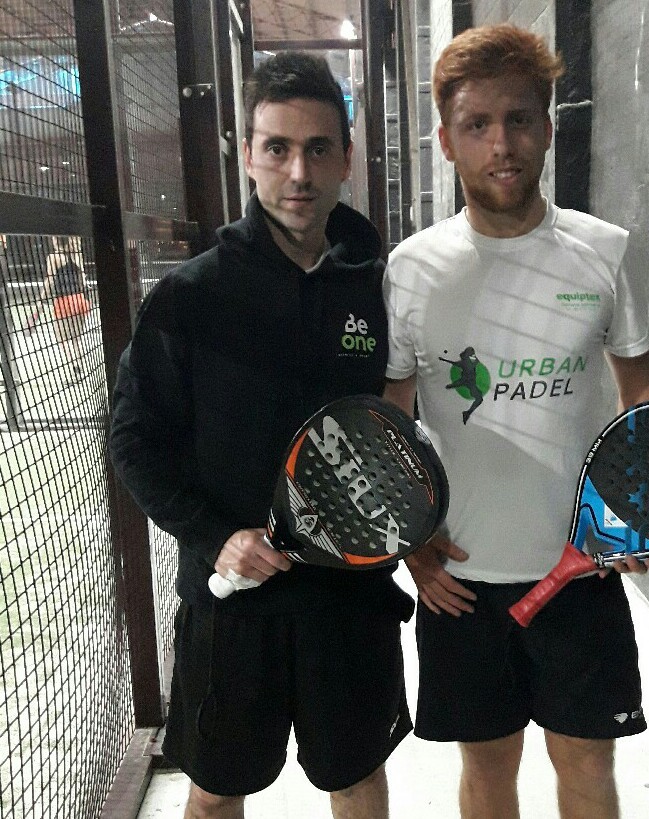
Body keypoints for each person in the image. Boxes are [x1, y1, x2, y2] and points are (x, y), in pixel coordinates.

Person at [109, 53, 414, 819]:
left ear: (346, 157)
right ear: (247, 154)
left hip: (350, 600)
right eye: (277, 147)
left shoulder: (382, 290)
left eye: (317, 148)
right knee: (214, 793)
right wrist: (217, 537)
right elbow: (134, 442)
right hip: (233, 605)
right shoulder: (190, 296)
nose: (298, 171)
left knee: (357, 781)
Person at [382, 24, 649, 819]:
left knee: (585, 764)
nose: (500, 144)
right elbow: (390, 419)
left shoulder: (602, 251)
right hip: (462, 582)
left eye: (518, 119)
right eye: (476, 125)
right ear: (446, 140)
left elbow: (642, 388)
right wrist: (411, 542)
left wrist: (635, 502)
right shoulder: (410, 269)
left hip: (581, 570)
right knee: (487, 767)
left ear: (547, 126)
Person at [28, 235, 90, 380]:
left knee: (62, 340)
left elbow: (49, 281)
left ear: (56, 240)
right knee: (76, 339)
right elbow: (82, 281)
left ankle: (75, 369)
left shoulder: (54, 257)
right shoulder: (77, 255)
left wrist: (40, 302)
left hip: (64, 302)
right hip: (80, 300)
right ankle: (81, 368)